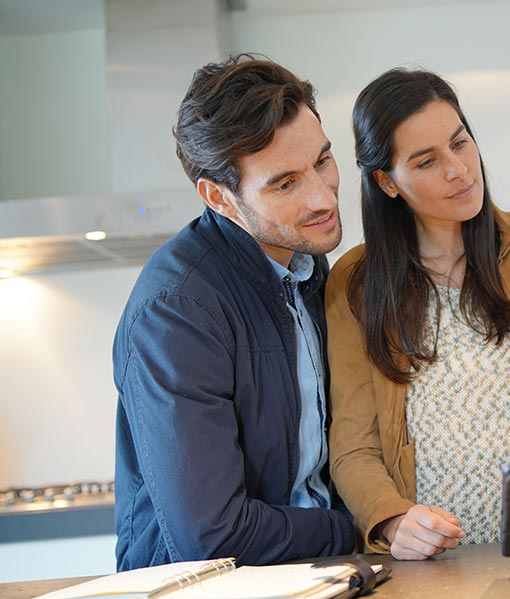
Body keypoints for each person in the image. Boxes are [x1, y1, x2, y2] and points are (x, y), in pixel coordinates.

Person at [327, 68, 510, 560]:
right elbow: (354, 444)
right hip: (429, 568)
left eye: (460, 143)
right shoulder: (354, 281)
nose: (459, 169)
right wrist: (393, 520)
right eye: (427, 161)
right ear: (386, 182)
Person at [113, 54, 355, 570]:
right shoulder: (177, 310)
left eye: (323, 160)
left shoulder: (308, 265)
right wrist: (359, 526)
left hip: (309, 580)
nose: (322, 196)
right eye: (285, 183)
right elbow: (213, 537)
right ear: (219, 198)